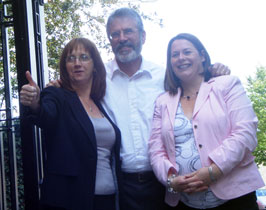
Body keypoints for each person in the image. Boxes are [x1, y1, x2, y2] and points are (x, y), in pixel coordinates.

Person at [42, 8, 230, 210]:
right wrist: (56, 87)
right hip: (122, 184)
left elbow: (195, 87)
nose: (122, 38)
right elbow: (75, 91)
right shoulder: (98, 78)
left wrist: (213, 71)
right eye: (115, 34)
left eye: (128, 31)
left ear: (143, 36)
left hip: (167, 181)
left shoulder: (164, 76)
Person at [148, 33, 265, 210]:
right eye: (175, 55)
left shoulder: (227, 85)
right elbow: (156, 149)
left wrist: (214, 171)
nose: (181, 58)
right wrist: (171, 181)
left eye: (187, 52)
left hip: (235, 199)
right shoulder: (162, 101)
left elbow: (245, 132)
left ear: (202, 56)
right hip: (184, 202)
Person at [20, 38, 122, 210]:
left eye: (84, 57)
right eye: (70, 58)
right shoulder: (56, 95)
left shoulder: (101, 103)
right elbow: (45, 114)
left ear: (95, 65)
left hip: (108, 199)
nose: (77, 63)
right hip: (68, 199)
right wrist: (35, 102)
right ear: (65, 67)